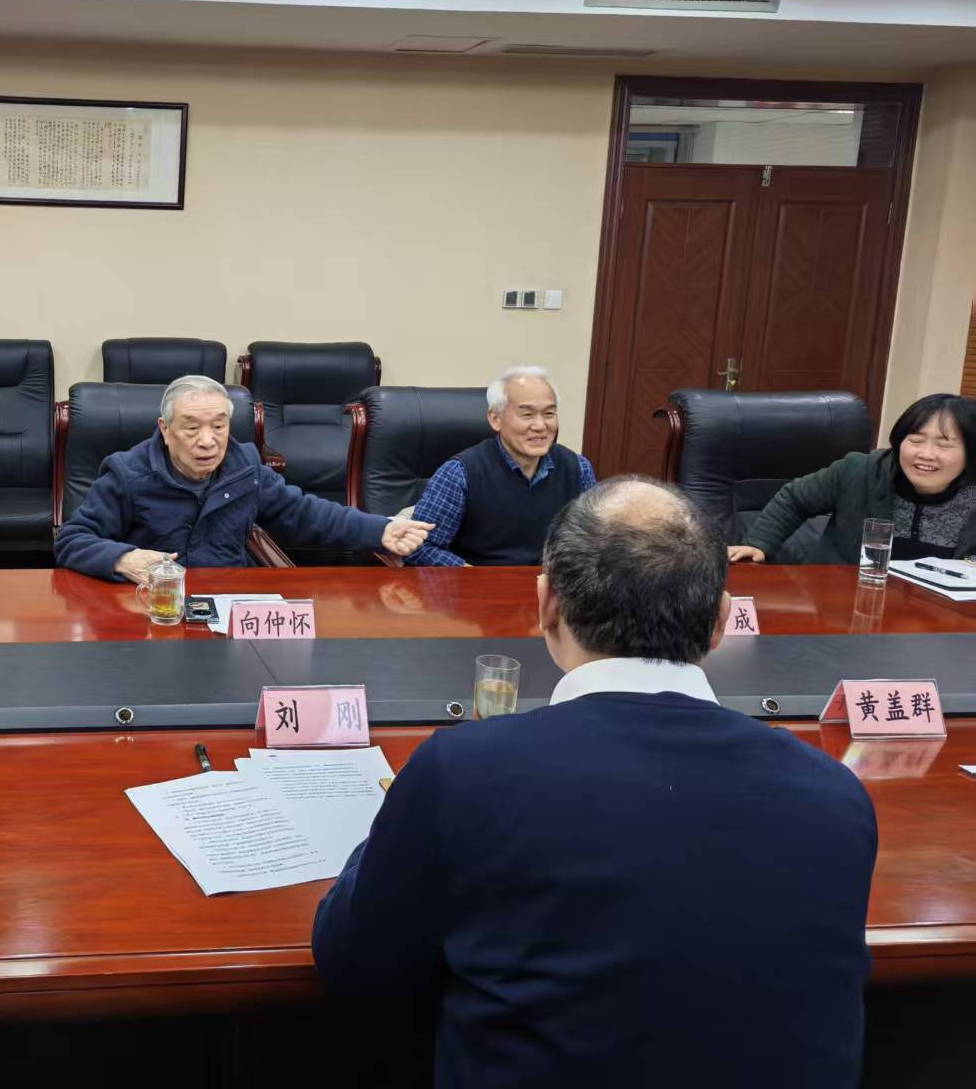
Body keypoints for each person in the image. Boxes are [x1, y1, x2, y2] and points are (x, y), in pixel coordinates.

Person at [312, 478, 876, 1088]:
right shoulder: (836, 792)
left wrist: (398, 815)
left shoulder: (464, 772)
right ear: (721, 621)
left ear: (547, 604)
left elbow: (355, 964)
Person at [55, 374, 433, 582]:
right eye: (192, 428)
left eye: (219, 426)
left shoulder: (245, 466)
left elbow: (303, 513)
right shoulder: (128, 473)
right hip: (154, 605)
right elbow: (72, 540)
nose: (208, 441)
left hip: (228, 603)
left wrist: (379, 530)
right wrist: (124, 559)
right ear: (165, 430)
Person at [730, 392, 975, 564]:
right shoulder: (860, 471)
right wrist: (758, 543)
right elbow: (795, 499)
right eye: (916, 440)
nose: (926, 454)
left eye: (944, 445)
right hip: (841, 601)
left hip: (942, 617)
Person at [404, 364, 596, 566]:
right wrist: (471, 575)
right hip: (479, 581)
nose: (540, 426)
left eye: (549, 413)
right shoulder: (459, 473)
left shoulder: (578, 468)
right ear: (495, 419)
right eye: (527, 414)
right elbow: (420, 547)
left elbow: (595, 541)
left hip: (549, 580)